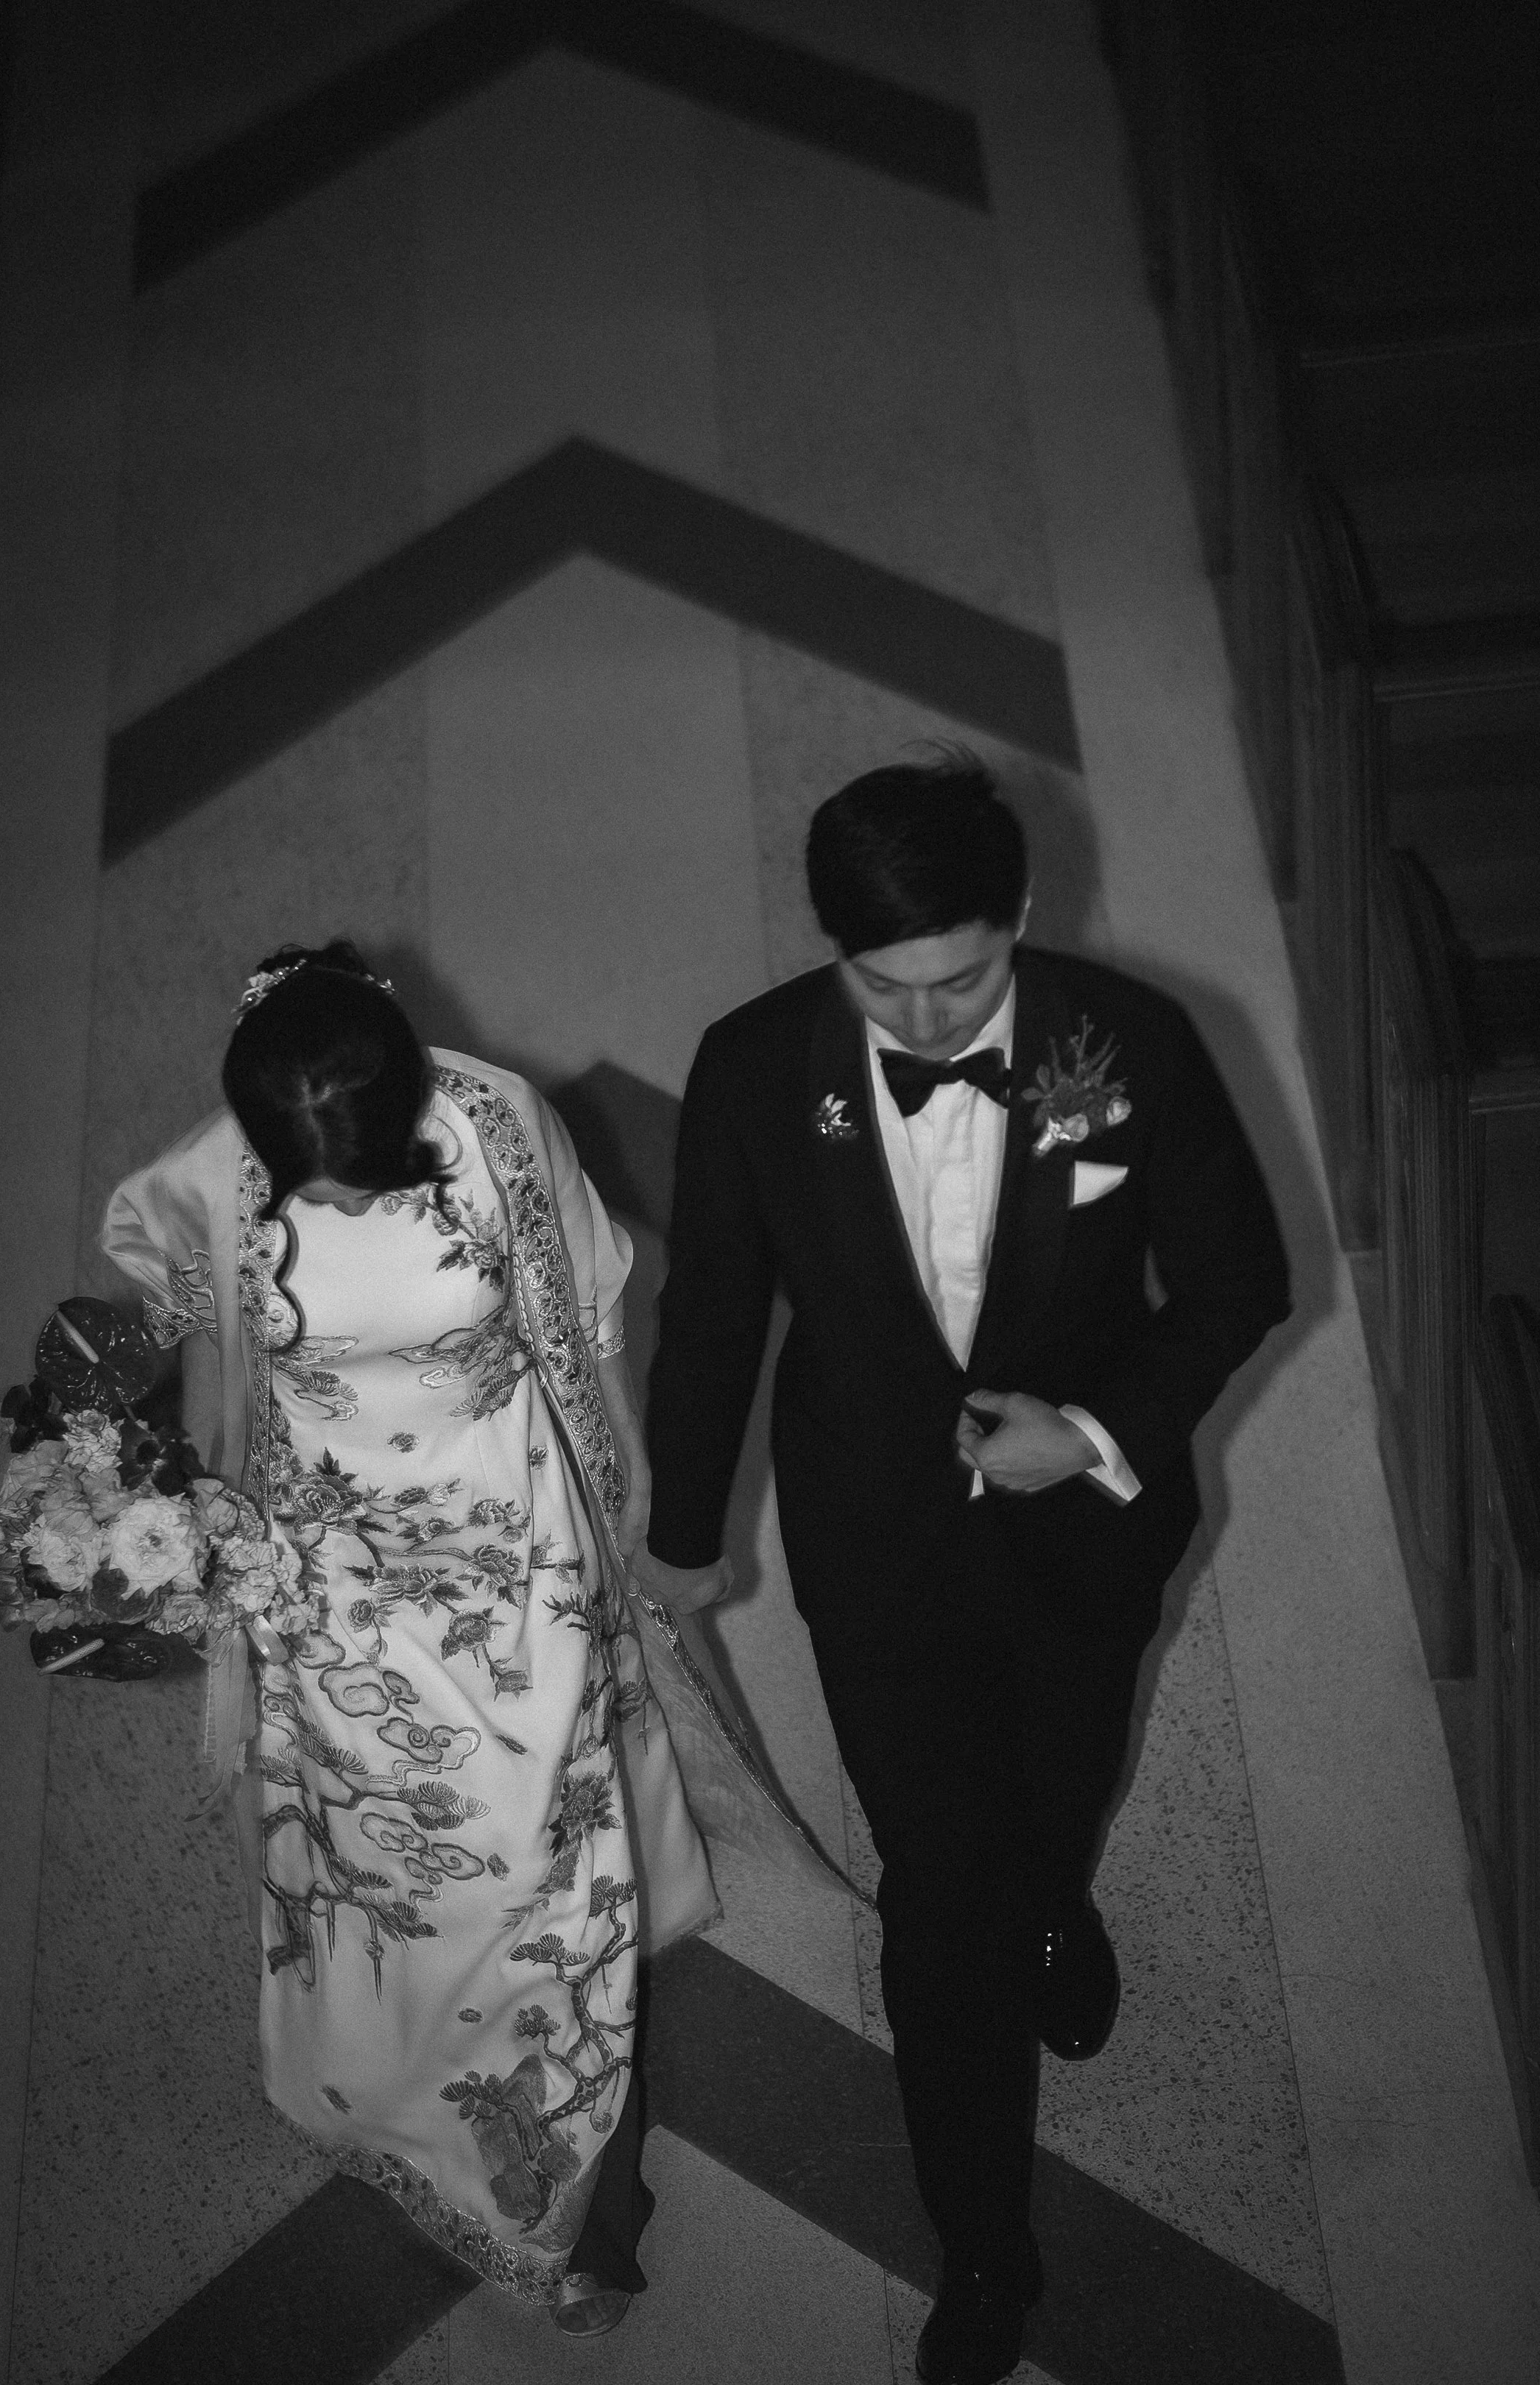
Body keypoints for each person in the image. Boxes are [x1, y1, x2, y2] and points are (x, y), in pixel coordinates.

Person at [635, 756, 1292, 2384]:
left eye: (962, 985)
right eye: (885, 989)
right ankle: (983, 2244)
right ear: (833, 949)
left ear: (1018, 923)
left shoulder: (1126, 1041)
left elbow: (1239, 1280)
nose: (927, 1027)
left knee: (1064, 1774)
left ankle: (1062, 1888)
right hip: (875, 1531)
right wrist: (683, 1532)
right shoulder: (750, 1067)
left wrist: (1091, 1428)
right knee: (943, 1904)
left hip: (1086, 1514)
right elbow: (718, 1313)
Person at [101, 941, 716, 2333]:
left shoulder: (499, 1125)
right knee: (383, 1851)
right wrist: (184, 1531)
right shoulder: (216, 1174)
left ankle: (580, 2201)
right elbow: (208, 1361)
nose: (330, 1199)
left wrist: (628, 1513)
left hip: (508, 1540)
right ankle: (394, 2075)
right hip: (326, 1569)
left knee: (533, 1867)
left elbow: (584, 1332)